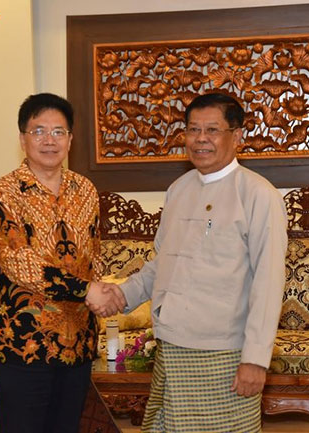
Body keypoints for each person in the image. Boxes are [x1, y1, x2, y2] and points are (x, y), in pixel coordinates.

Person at [90, 92, 288, 432]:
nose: (200, 139)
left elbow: (268, 284)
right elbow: (162, 264)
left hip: (222, 353)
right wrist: (124, 295)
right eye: (193, 129)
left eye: (212, 130)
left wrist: (255, 360)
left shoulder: (257, 194)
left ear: (237, 135)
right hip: (171, 347)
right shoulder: (178, 189)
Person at [0, 93, 124, 433]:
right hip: (24, 344)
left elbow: (93, 254)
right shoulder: (4, 193)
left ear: (71, 139)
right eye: (39, 131)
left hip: (77, 343)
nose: (49, 140)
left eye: (59, 131)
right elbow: (21, 264)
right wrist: (87, 289)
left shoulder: (86, 190)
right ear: (22, 138)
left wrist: (102, 293)